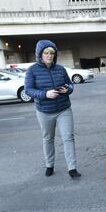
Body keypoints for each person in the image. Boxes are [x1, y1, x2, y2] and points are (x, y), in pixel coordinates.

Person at [25, 40, 81, 179]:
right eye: (46, 53)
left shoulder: (60, 69)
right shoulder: (32, 70)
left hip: (63, 109)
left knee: (68, 138)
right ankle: (49, 165)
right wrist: (45, 94)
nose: (49, 56)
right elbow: (28, 90)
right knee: (48, 138)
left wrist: (67, 89)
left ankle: (72, 168)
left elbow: (70, 84)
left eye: (52, 53)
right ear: (40, 54)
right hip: (44, 111)